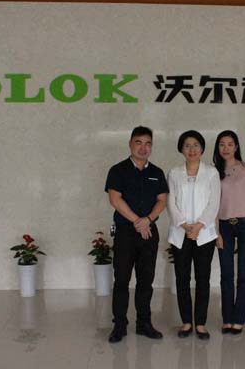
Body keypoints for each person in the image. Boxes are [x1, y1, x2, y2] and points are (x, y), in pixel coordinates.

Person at [104, 126, 168, 343]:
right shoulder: (118, 170)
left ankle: (144, 323)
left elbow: (162, 200)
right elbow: (115, 199)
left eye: (148, 143)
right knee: (122, 279)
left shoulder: (157, 173)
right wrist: (137, 221)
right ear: (130, 144)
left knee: (145, 280)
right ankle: (119, 325)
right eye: (138, 142)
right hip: (125, 232)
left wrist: (147, 220)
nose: (143, 147)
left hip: (149, 232)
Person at [167, 130, 220, 340]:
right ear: (181, 149)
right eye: (187, 145)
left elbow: (214, 202)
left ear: (202, 148)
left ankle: (201, 323)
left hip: (204, 234)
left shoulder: (212, 173)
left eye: (196, 145)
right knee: (182, 278)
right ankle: (186, 322)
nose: (192, 149)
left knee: (202, 279)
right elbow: (170, 201)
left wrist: (198, 226)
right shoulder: (174, 173)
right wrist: (183, 224)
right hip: (180, 233)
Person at [213, 130, 245, 335]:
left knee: (243, 274)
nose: (226, 148)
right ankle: (227, 318)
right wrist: (216, 231)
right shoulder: (214, 172)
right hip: (224, 225)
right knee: (226, 274)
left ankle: (239, 319)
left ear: (236, 146)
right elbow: (213, 205)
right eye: (222, 144)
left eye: (230, 144)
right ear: (217, 147)